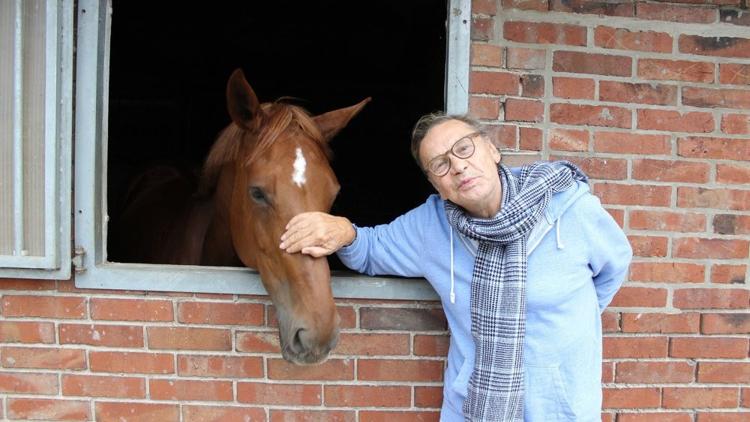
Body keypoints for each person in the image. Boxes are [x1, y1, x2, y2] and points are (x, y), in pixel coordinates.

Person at [279, 112, 633, 421]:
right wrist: (345, 230)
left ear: (492, 150)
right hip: (472, 410)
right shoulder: (432, 226)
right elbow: (371, 250)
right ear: (436, 185)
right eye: (440, 164)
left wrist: (568, 321)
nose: (458, 166)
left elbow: (614, 268)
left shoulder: (572, 209)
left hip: (560, 408)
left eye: (464, 148)